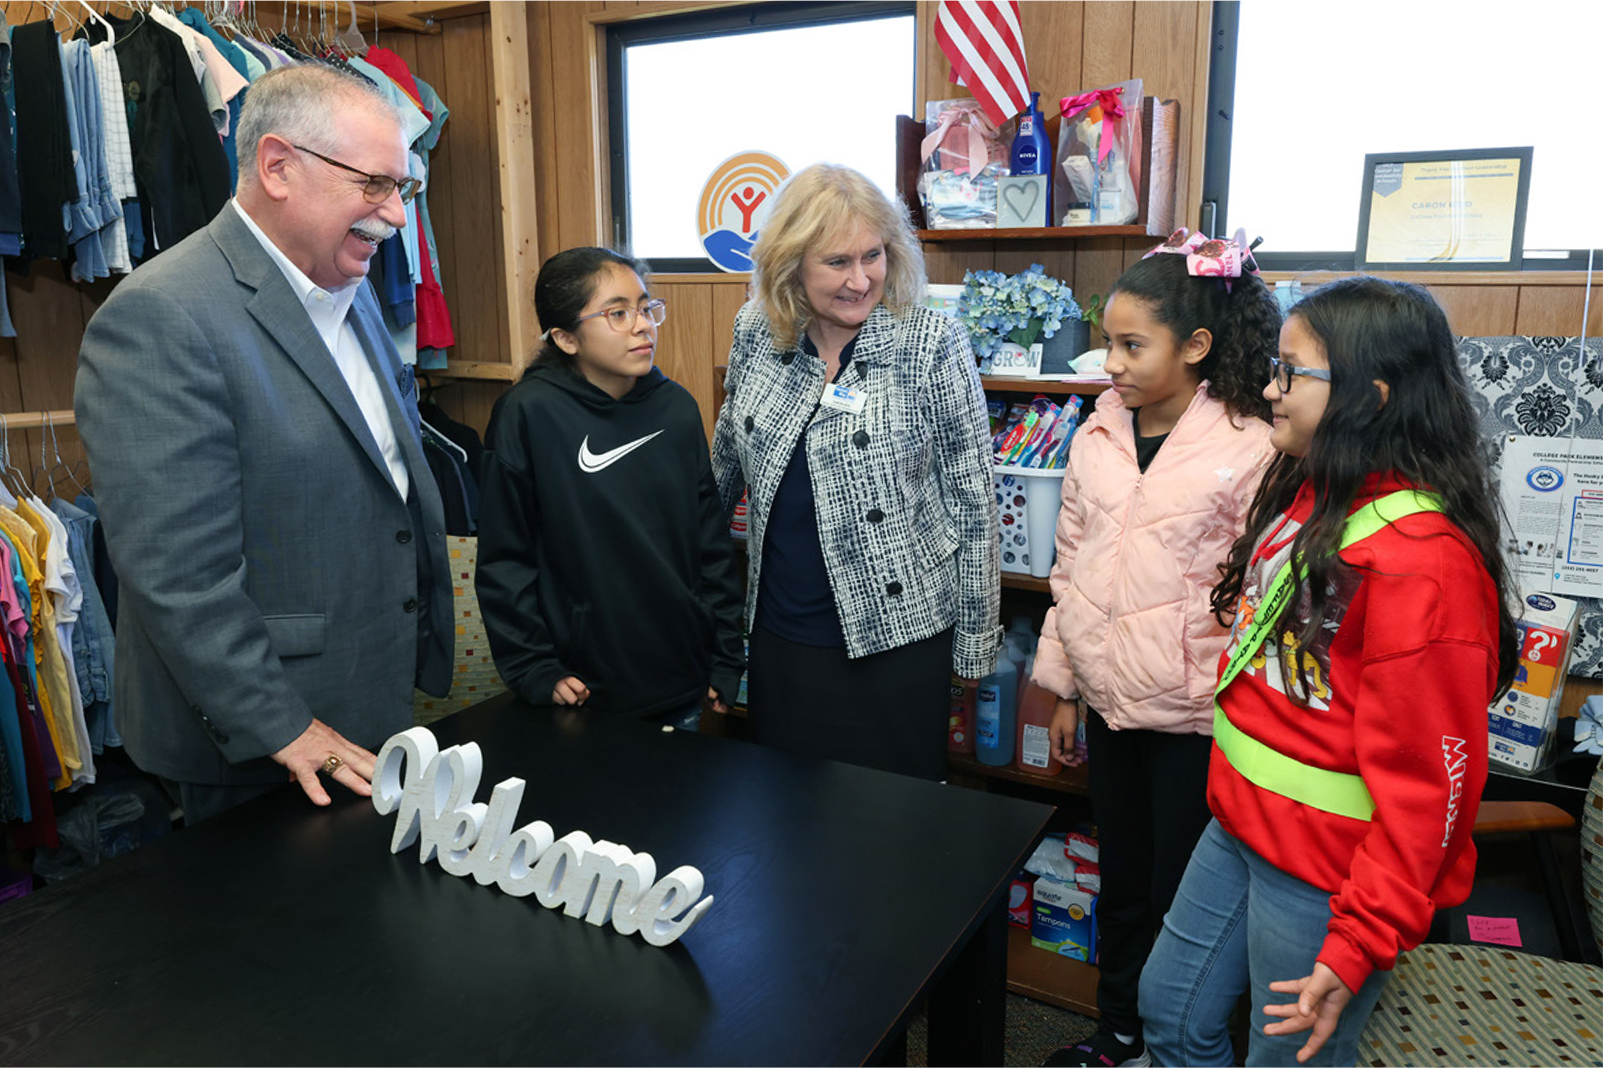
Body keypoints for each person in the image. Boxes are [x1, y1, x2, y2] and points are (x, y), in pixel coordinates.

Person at [1138, 276, 1517, 1066]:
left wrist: (1359, 940)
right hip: (1240, 825)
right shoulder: (1316, 489)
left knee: (1286, 1058)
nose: (1270, 391)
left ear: (1368, 396)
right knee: (1170, 1015)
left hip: (1325, 872)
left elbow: (1430, 791)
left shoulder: (1422, 568)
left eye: (1290, 373)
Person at [74, 65, 453, 824]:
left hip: (367, 702)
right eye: (374, 185)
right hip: (261, 742)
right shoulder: (161, 316)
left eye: (402, 191)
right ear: (278, 166)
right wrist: (284, 725)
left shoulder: (352, 289)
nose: (393, 216)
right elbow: (178, 572)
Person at [1034, 230, 1280, 1068]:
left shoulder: (1249, 443)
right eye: (1108, 341)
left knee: (1185, 894)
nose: (1111, 363)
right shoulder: (1097, 430)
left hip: (1196, 720)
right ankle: (1119, 1034)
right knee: (1124, 878)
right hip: (1110, 703)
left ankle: (1178, 1041)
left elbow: (1262, 597)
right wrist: (1065, 686)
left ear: (1196, 346)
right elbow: (1070, 564)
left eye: (1131, 345)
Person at [710, 162, 1000, 781]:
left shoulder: (930, 342)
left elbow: (975, 505)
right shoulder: (756, 331)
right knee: (782, 819)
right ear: (790, 264)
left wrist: (976, 641)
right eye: (837, 262)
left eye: (874, 255)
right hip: (782, 635)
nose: (861, 279)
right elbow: (726, 458)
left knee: (889, 834)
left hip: (897, 639)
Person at [474, 247, 744, 723]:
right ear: (565, 337)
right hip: (581, 693)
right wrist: (534, 666)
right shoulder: (529, 414)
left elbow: (711, 544)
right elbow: (505, 559)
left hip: (682, 680)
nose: (642, 325)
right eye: (617, 313)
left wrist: (725, 657)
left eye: (645, 307)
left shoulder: (676, 408)